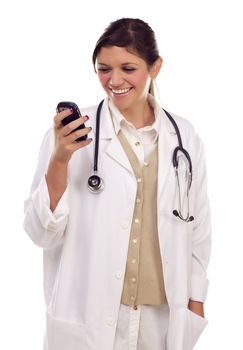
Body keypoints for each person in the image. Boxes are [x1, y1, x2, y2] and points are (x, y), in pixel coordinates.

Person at [24, 18, 211, 350]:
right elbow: (41, 232)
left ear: (156, 67)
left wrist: (196, 300)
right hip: (90, 314)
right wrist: (60, 158)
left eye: (128, 67)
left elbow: (198, 227)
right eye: (104, 69)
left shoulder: (184, 137)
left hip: (162, 316)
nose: (115, 80)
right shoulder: (74, 133)